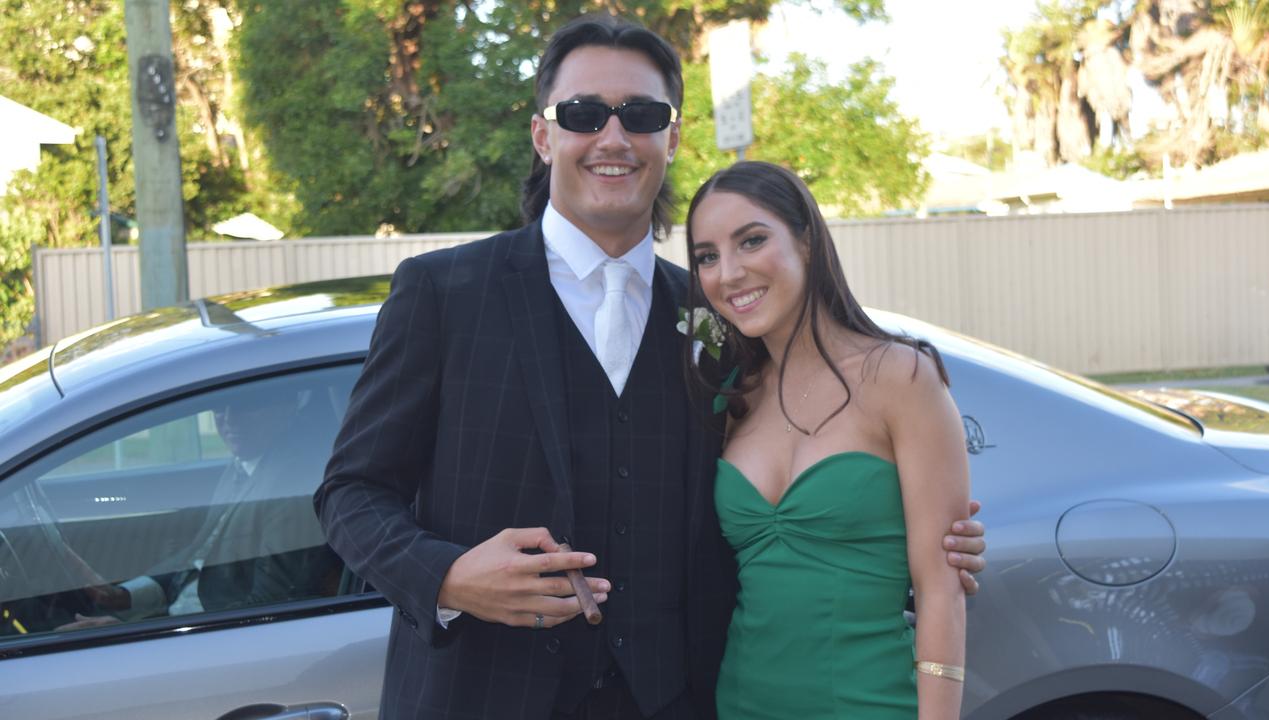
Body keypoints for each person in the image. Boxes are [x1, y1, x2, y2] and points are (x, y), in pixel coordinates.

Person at [313, 14, 985, 720]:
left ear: (672, 137)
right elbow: (350, 492)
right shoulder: (442, 294)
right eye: (582, 114)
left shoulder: (714, 324)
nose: (612, 137)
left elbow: (819, 470)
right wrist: (447, 576)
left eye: (640, 114)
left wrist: (930, 542)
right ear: (544, 137)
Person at [684, 161, 969, 719]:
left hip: (869, 702)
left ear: (808, 241)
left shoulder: (901, 378)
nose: (730, 272)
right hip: (742, 704)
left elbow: (942, 592)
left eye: (752, 240)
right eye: (707, 257)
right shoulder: (729, 399)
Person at [59, 384, 339, 629]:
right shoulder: (245, 463)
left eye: (244, 407)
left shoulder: (291, 486)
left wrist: (132, 630)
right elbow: (199, 553)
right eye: (219, 408)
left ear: (286, 408)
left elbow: (270, 605)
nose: (229, 420)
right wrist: (124, 596)